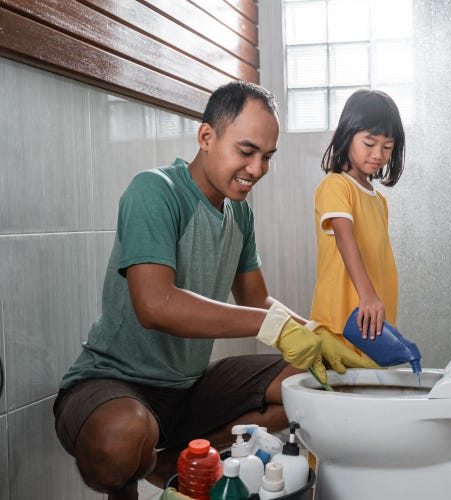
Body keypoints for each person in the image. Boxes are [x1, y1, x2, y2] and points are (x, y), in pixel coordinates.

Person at [53, 81, 356, 500]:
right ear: (206, 136)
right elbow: (155, 305)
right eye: (246, 151)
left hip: (189, 387)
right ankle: (129, 484)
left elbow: (256, 300)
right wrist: (278, 329)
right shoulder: (155, 191)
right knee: (122, 439)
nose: (257, 169)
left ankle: (170, 464)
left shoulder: (240, 213)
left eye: (267, 157)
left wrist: (319, 335)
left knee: (310, 383)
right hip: (114, 383)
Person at [308, 89, 406, 360]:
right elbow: (344, 238)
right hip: (339, 324)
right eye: (369, 143)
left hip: (369, 324)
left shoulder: (379, 201)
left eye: (387, 147)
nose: (378, 154)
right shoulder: (336, 186)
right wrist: (368, 296)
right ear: (346, 136)